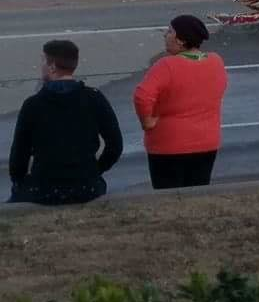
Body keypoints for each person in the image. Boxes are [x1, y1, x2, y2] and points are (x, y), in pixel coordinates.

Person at [8, 40, 123, 205]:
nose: (41, 67)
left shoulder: (33, 105)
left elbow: (19, 154)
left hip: (45, 188)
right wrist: (95, 171)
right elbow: (115, 145)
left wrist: (19, 181)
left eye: (43, 62)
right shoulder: (93, 98)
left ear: (52, 66)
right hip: (86, 185)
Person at [134, 15, 228, 190]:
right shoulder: (216, 62)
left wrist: (147, 121)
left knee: (168, 197)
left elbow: (142, 95)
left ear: (180, 40)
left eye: (169, 31)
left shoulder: (167, 65)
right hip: (206, 142)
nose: (165, 35)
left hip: (169, 145)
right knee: (197, 196)